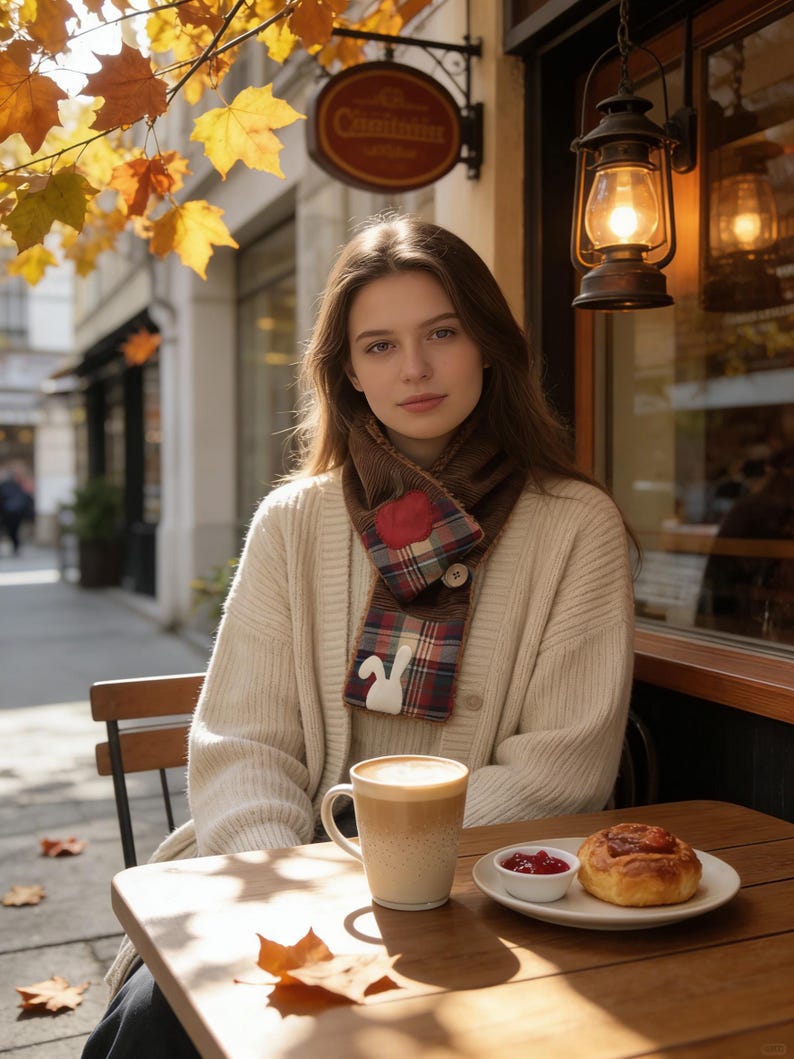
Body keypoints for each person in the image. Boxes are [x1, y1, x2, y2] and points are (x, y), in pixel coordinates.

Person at [82, 216, 635, 1058]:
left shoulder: (576, 525)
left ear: (487, 344)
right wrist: (294, 889)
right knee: (158, 1026)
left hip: (484, 893)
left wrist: (385, 872)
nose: (413, 368)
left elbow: (559, 770)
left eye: (441, 332)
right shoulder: (294, 522)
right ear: (346, 373)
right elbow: (242, 746)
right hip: (283, 880)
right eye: (379, 345)